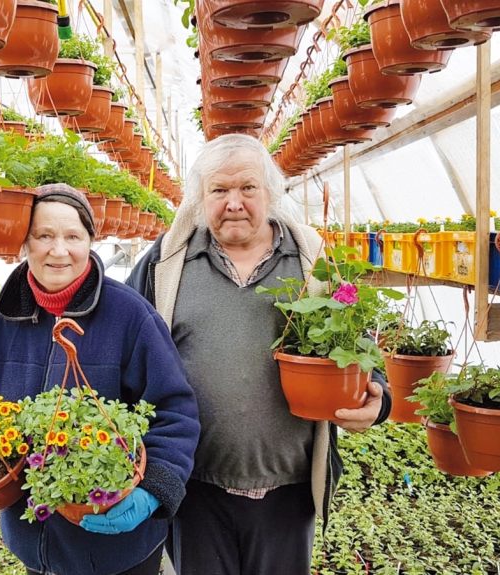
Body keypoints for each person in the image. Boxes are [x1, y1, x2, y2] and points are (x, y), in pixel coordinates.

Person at [126, 134, 392, 575]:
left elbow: (358, 345)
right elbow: (125, 346)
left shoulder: (311, 259)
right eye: (219, 190)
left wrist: (378, 397)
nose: (234, 202)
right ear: (199, 198)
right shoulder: (165, 262)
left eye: (247, 188)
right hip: (193, 486)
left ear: (270, 193)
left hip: (287, 490)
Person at [0, 184, 201, 575]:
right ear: (25, 243)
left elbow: (175, 410)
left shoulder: (130, 316)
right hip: (33, 544)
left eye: (73, 236)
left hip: (119, 550)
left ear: (91, 240)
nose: (59, 251)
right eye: (44, 236)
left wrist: (154, 488)